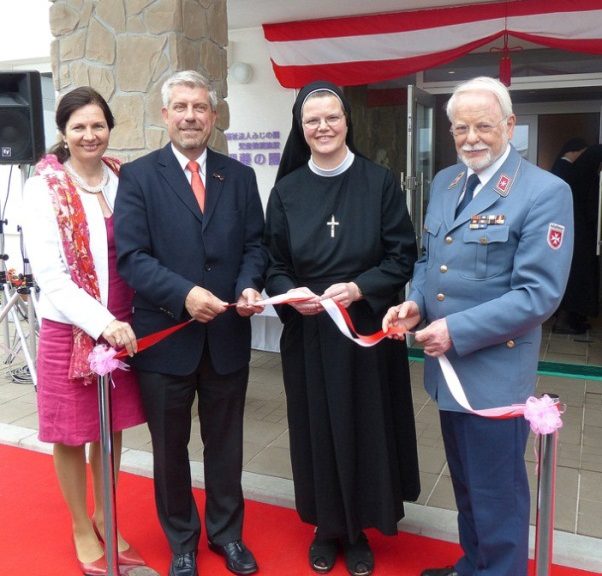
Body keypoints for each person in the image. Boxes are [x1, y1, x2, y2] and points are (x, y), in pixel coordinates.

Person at [382, 76, 574, 576]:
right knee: (467, 484)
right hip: (446, 370)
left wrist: (455, 331)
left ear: (509, 126)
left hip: (494, 374)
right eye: (461, 127)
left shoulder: (544, 192)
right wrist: (415, 303)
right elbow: (430, 261)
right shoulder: (447, 182)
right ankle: (475, 565)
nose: (471, 137)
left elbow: (538, 295)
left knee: (497, 493)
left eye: (484, 126)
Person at [264, 80, 420, 576]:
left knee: (365, 427)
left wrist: (357, 289)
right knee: (316, 429)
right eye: (312, 120)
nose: (323, 127)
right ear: (301, 127)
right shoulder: (287, 190)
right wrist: (294, 292)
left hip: (367, 332)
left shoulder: (379, 182)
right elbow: (273, 262)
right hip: (309, 333)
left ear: (347, 120)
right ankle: (326, 527)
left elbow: (402, 255)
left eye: (332, 117)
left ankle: (358, 532)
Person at [114, 70, 267, 576]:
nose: (190, 116)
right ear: (165, 115)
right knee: (170, 450)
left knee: (226, 445)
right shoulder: (137, 177)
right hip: (165, 340)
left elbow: (254, 245)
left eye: (199, 108)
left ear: (214, 116)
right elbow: (132, 258)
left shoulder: (239, 176)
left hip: (225, 337)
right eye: (180, 107)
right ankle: (182, 539)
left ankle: (227, 535)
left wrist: (248, 286)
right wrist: (184, 295)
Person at [21, 87, 149, 576]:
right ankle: (81, 525)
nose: (89, 135)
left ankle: (105, 513)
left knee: (110, 430)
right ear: (64, 132)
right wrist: (103, 323)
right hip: (71, 327)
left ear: (109, 128)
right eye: (79, 127)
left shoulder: (122, 179)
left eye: (98, 125)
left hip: (123, 322)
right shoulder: (44, 188)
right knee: (72, 433)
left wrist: (123, 320)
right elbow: (50, 274)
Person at [551, 139, 602, 334]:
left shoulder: (565, 168)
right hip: (572, 231)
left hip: (569, 230)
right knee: (575, 277)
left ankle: (572, 319)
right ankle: (566, 321)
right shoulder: (566, 169)